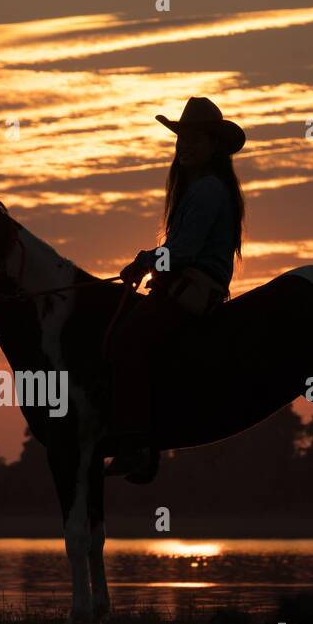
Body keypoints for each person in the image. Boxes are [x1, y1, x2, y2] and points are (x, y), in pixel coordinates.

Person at [104, 96, 247, 483]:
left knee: (125, 342)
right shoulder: (205, 189)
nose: (185, 147)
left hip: (194, 287)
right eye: (182, 139)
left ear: (213, 146)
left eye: (195, 140)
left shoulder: (206, 191)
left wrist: (145, 261)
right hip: (191, 284)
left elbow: (182, 252)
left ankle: (135, 444)